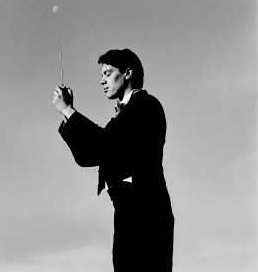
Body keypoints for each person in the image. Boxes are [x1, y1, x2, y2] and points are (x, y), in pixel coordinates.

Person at [53, 48, 174, 271]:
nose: (101, 81)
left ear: (127, 73)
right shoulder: (123, 115)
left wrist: (69, 111)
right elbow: (88, 155)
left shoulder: (145, 105)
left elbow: (105, 143)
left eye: (107, 73)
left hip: (146, 211)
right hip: (128, 210)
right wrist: (66, 113)